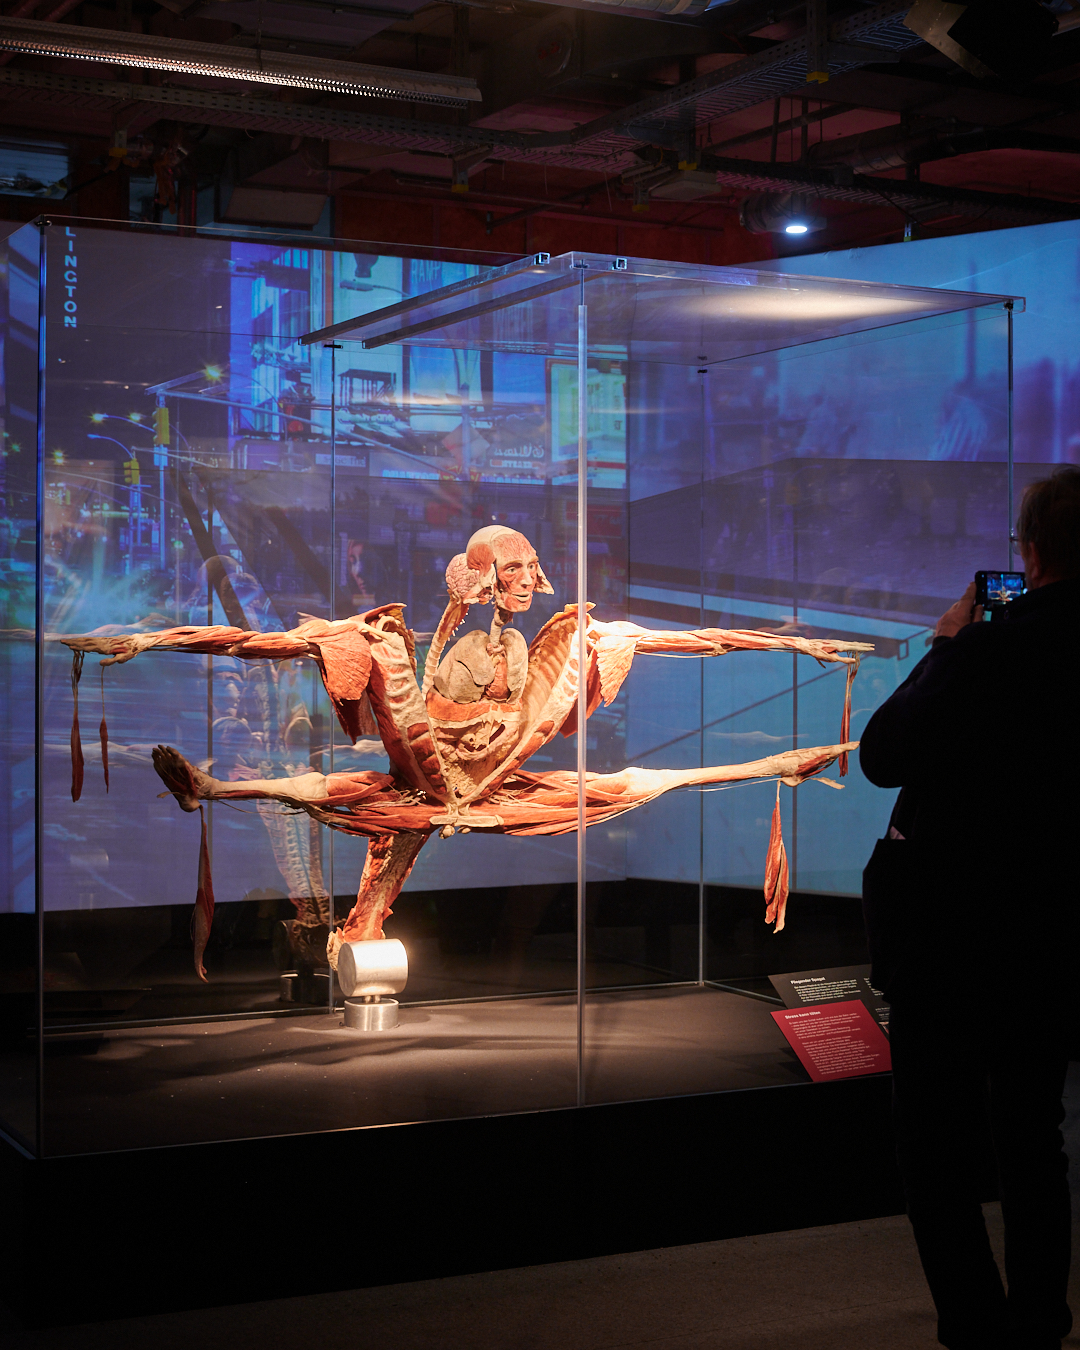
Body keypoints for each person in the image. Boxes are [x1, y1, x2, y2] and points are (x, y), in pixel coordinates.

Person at [860, 465, 1080, 1350]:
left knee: (936, 1145)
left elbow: (883, 753)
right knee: (1034, 1135)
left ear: (1030, 553)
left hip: (952, 937)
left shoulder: (990, 651)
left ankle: (979, 1328)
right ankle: (1040, 1324)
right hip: (1057, 933)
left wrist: (948, 645)